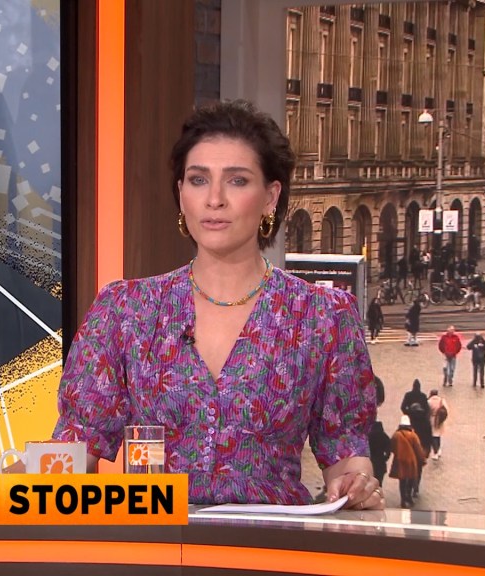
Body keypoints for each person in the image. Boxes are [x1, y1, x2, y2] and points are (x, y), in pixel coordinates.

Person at [50, 100, 381, 510]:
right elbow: (77, 443)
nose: (215, 199)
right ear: (181, 193)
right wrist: (11, 482)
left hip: (270, 544)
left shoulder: (324, 317)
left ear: (270, 196)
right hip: (152, 542)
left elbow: (345, 454)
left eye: (237, 181)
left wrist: (356, 486)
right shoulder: (125, 310)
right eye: (198, 180)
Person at [390, 415, 428, 509]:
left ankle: (403, 499)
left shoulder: (396, 435)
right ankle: (409, 497)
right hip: (411, 461)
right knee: (411, 479)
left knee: (402, 481)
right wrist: (422, 459)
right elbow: (418, 449)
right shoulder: (413, 435)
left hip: (400, 461)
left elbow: (392, 447)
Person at [427, 390, 449, 459]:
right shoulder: (441, 400)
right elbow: (446, 410)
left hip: (432, 419)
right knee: (438, 435)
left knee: (433, 436)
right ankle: (439, 449)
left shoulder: (429, 401)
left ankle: (435, 452)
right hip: (440, 420)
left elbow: (427, 411)